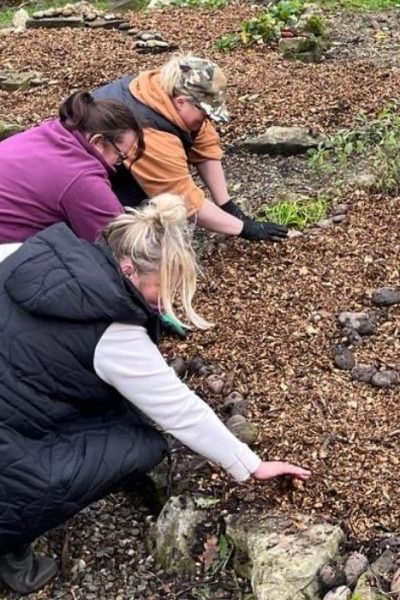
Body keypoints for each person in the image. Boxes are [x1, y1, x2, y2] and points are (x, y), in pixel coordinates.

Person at [0, 193, 310, 595]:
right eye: (159, 289)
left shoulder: (26, 251)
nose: (163, 303)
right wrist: (250, 464)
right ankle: (9, 542)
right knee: (141, 443)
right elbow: (180, 411)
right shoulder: (116, 336)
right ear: (128, 270)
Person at [92, 53, 288, 243]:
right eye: (205, 114)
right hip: (91, 191)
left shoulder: (164, 88)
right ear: (181, 102)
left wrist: (226, 205)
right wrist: (245, 229)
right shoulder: (149, 130)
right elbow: (182, 198)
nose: (206, 120)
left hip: (121, 166)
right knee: (139, 232)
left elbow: (205, 143)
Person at [0, 91, 144, 243]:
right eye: (119, 155)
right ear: (97, 141)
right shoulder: (81, 177)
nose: (117, 163)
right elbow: (123, 245)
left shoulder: (49, 131)